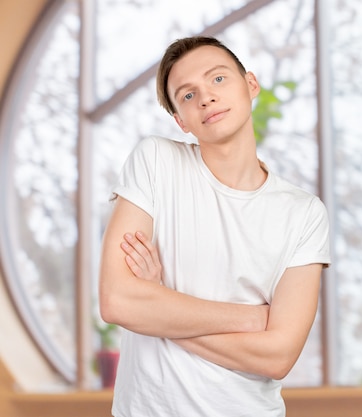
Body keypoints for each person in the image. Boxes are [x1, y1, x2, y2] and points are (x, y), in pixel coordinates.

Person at [98, 36, 331, 417]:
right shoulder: (156, 161)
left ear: (250, 85)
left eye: (218, 80)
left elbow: (278, 357)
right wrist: (253, 319)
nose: (205, 97)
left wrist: (158, 302)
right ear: (180, 121)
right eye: (187, 96)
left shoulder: (303, 213)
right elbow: (118, 301)